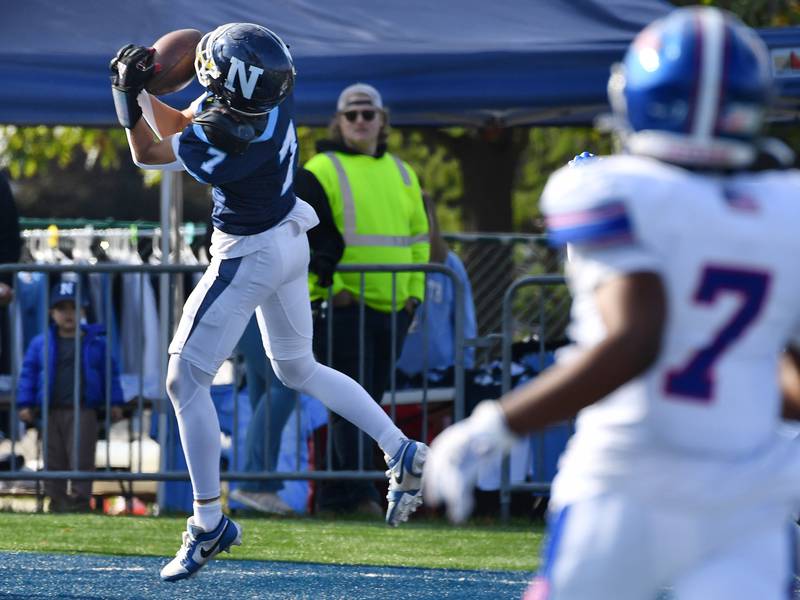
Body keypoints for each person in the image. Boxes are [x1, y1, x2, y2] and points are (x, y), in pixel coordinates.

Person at [425, 7, 800, 599]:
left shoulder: (609, 186)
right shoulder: (786, 206)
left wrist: (498, 424)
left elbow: (636, 338)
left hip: (628, 480)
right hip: (745, 500)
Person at [109, 23, 427, 581]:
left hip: (249, 251)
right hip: (290, 239)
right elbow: (197, 111)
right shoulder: (271, 95)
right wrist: (148, 91)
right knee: (299, 367)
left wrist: (126, 95)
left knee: (184, 380)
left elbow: (149, 150)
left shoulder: (225, 136)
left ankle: (207, 522)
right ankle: (399, 448)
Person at [293, 82, 430, 515]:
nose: (360, 121)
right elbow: (310, 237)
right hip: (344, 305)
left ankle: (355, 493)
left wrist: (414, 298)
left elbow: (419, 240)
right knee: (348, 405)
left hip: (392, 305)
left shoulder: (404, 172)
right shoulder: (321, 166)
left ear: (382, 120)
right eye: (351, 114)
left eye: (368, 113)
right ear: (338, 120)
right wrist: (331, 291)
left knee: (372, 402)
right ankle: (346, 495)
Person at [16, 280, 124, 512]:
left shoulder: (96, 342)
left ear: (83, 311)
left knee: (82, 457)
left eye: (74, 308)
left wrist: (115, 401)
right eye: (62, 309)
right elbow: (29, 373)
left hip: (83, 410)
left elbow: (110, 373)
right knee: (53, 457)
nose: (69, 314)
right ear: (51, 313)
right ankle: (56, 500)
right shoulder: (40, 343)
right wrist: (25, 403)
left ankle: (79, 500)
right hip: (51, 410)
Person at [396, 193, 477, 379]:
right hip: (395, 375)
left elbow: (465, 322)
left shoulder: (450, 264)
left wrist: (464, 369)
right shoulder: (391, 265)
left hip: (441, 374)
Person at [228, 315, 295, 515]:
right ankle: (255, 482)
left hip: (253, 306)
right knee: (284, 385)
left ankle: (259, 484)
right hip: (250, 305)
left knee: (267, 389)